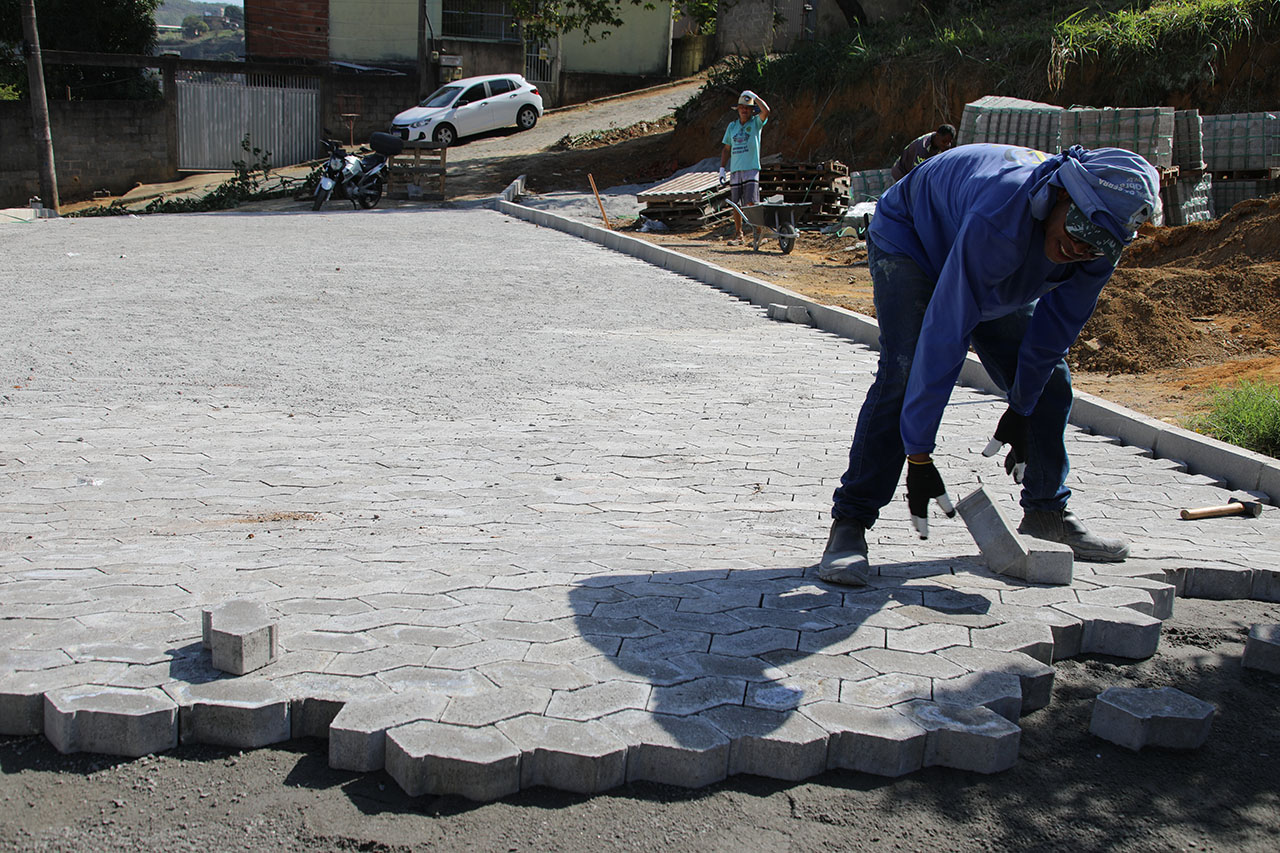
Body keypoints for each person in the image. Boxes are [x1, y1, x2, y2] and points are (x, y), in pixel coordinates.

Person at [818, 143, 1161, 587]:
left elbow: (1053, 334)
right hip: (913, 239)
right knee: (906, 368)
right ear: (1060, 195)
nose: (1080, 247)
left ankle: (1047, 512)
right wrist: (919, 455)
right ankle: (851, 522)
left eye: (1097, 244)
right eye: (1079, 229)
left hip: (987, 254)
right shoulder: (1001, 217)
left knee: (1050, 381)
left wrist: (1021, 407)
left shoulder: (1095, 249)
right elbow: (947, 335)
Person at [719, 90, 772, 244]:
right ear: (738, 109)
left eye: (747, 108)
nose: (744, 110)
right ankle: (739, 235)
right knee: (736, 204)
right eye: (742, 107)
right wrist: (722, 168)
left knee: (751, 203)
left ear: (751, 110)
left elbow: (766, 111)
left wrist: (755, 97)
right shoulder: (732, 126)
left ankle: (759, 234)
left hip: (751, 168)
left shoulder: (756, 123)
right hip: (736, 169)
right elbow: (726, 149)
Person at [890, 124, 956, 182]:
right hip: (901, 173)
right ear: (937, 136)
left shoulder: (940, 144)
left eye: (949, 142)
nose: (946, 145)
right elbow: (917, 172)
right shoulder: (923, 146)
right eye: (944, 141)